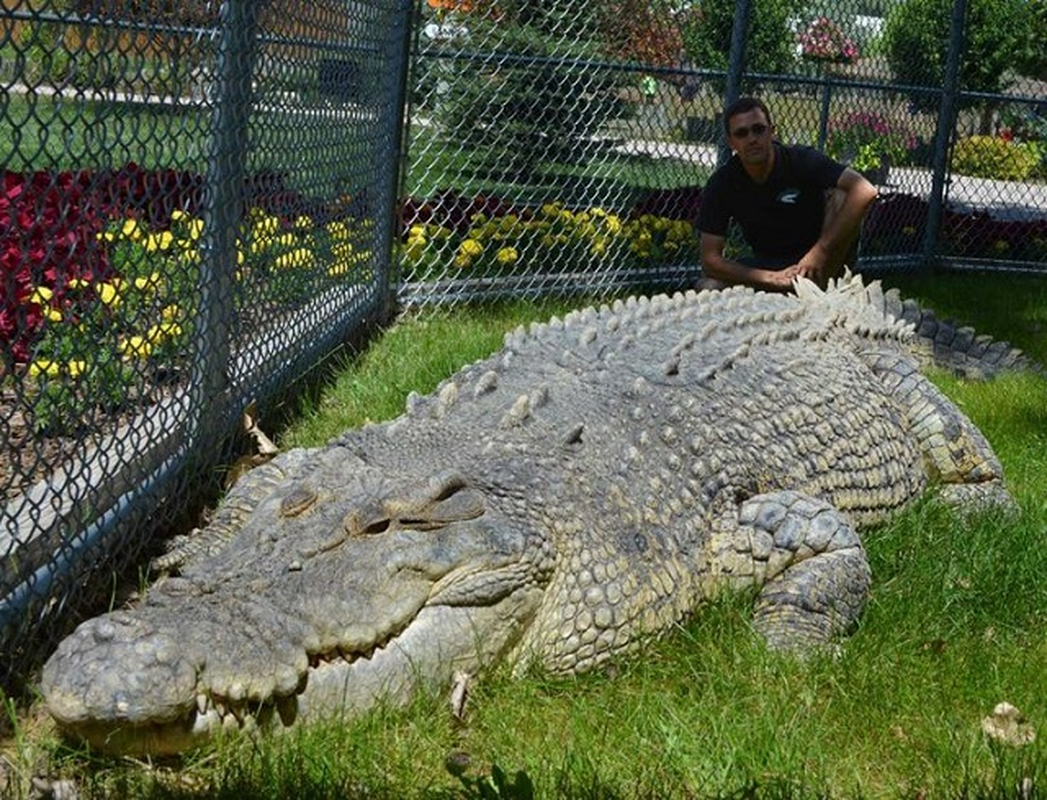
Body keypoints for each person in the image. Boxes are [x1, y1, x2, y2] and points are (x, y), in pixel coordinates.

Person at [697, 96, 878, 292]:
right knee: (707, 286)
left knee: (842, 194)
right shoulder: (722, 183)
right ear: (730, 142)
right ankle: (787, 292)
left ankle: (821, 289)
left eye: (759, 129)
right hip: (769, 266)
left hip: (819, 261)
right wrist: (771, 278)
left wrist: (820, 251)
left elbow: (865, 190)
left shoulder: (802, 159)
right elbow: (710, 260)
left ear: (772, 132)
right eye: (741, 133)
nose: (752, 139)